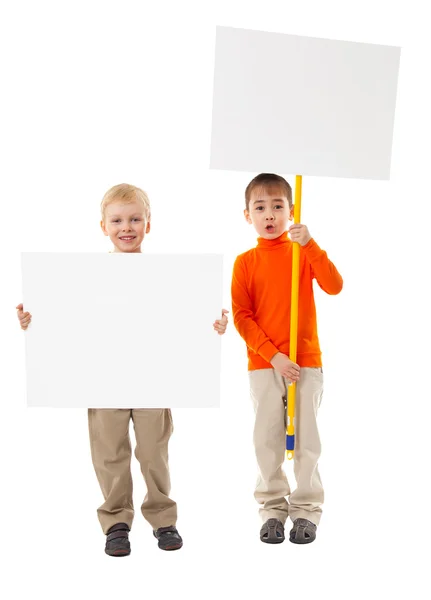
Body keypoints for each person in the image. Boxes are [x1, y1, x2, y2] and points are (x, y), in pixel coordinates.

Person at [17, 183, 229, 556]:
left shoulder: (170, 275)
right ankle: (116, 521)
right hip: (103, 379)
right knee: (109, 452)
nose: (126, 227)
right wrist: (35, 320)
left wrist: (210, 326)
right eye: (117, 220)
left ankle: (163, 520)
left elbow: (183, 318)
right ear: (103, 226)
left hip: (153, 378)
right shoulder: (85, 275)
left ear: (149, 224)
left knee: (153, 452)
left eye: (135, 219)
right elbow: (67, 318)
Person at [231, 173, 342, 545]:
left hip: (306, 360)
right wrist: (274, 356)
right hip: (265, 365)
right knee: (268, 440)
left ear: (291, 211)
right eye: (260, 207)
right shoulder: (244, 262)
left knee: (307, 439)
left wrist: (310, 244)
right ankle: (272, 509)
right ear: (247, 215)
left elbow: (334, 285)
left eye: (278, 206)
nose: (269, 214)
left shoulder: (301, 253)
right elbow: (242, 317)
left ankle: (307, 510)